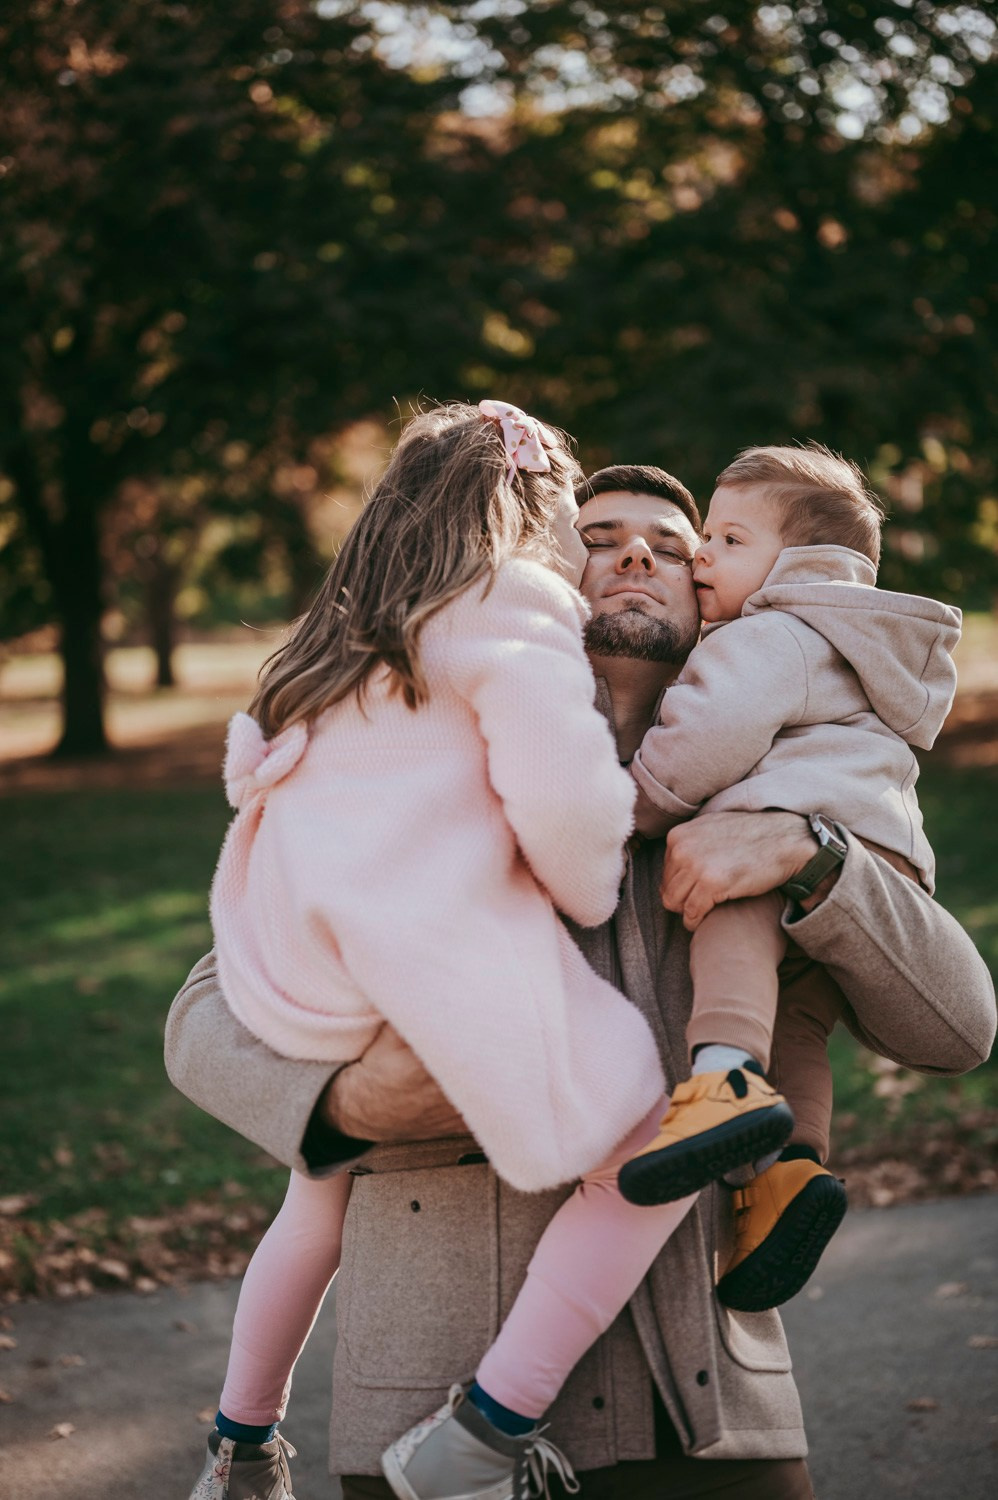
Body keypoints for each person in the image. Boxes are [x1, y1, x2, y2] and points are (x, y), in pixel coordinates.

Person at [167, 463, 996, 1500]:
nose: (638, 553)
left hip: (706, 1421)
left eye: (677, 543)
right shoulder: (409, 763)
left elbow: (956, 1030)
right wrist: (342, 1106)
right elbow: (204, 1013)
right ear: (542, 574)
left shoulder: (779, 793)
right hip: (424, 1425)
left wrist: (815, 856)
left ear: (717, 599)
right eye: (599, 536)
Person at [189, 404, 706, 1500]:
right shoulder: (510, 603)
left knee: (315, 1193)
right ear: (525, 511)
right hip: (424, 952)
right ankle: (485, 1428)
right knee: (654, 1145)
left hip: (306, 966)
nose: (582, 551)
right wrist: (584, 884)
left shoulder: (334, 636)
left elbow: (259, 775)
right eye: (571, 519)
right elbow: (564, 800)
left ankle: (240, 1442)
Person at [618, 446, 961, 1274]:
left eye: (728, 540)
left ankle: (725, 1079)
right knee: (798, 1015)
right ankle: (786, 1177)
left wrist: (631, 804)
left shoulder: (770, 633)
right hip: (881, 863)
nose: (702, 556)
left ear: (803, 565)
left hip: (790, 841)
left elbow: (708, 740)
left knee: (726, 914)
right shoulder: (862, 642)